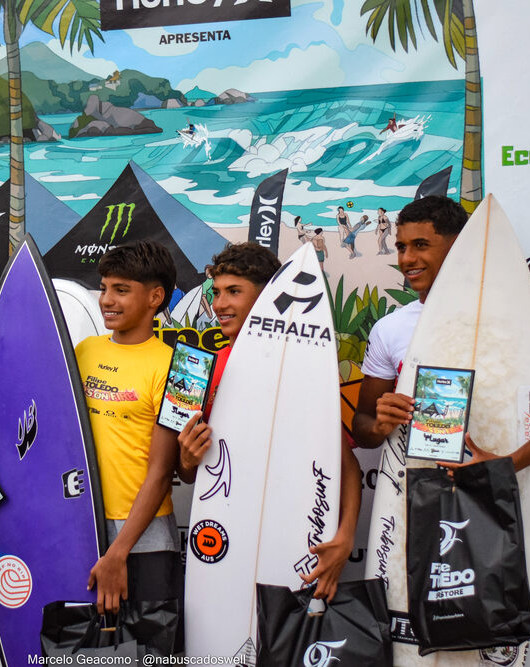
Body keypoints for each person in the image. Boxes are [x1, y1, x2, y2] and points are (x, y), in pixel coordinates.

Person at [176, 242, 362, 601]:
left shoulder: (307, 368)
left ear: (267, 297)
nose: (219, 305)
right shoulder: (202, 368)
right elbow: (187, 475)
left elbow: (345, 464)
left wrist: (345, 537)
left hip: (292, 533)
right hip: (226, 535)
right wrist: (186, 457)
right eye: (216, 293)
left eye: (233, 292)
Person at [76, 240, 179, 617]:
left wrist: (118, 551)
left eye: (121, 290)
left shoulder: (177, 367)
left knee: (148, 654)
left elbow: (161, 470)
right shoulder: (84, 351)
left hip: (145, 537)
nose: (107, 299)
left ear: (155, 297)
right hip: (80, 525)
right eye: (104, 288)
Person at [352, 196, 470, 448]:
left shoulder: (505, 320)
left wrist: (510, 463)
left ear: (459, 246)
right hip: (412, 483)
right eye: (401, 247)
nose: (406, 259)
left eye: (420, 244)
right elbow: (363, 425)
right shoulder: (389, 329)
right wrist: (379, 426)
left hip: (494, 484)